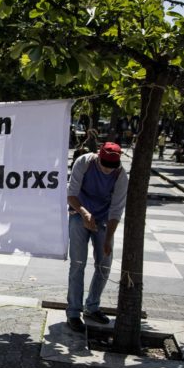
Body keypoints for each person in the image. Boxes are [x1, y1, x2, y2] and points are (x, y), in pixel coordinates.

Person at [66, 142, 129, 333]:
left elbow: (116, 209)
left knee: (105, 263)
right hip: (79, 213)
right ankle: (74, 313)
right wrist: (84, 214)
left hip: (103, 220)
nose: (107, 170)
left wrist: (109, 237)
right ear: (98, 157)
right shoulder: (83, 162)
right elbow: (71, 194)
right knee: (78, 263)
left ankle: (92, 307)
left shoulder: (120, 175)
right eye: (104, 166)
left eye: (112, 167)